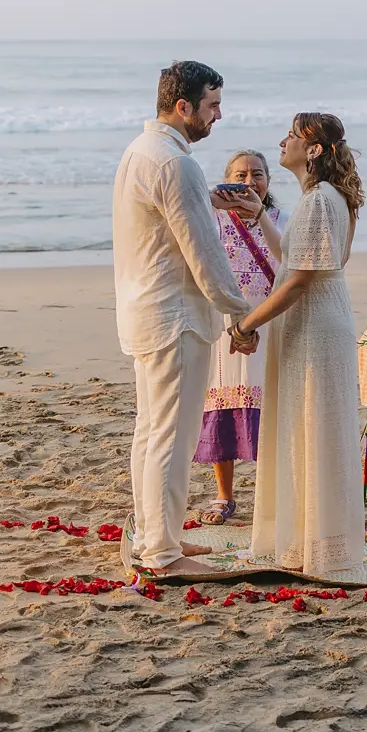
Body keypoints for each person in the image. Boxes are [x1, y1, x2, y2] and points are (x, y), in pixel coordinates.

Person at [112, 61, 263, 576]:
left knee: (152, 431)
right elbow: (204, 255)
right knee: (171, 439)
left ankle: (160, 536)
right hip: (174, 317)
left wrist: (211, 200)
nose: (218, 116)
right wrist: (241, 315)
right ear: (184, 107)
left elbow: (168, 222)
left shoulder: (141, 151)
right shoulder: (176, 164)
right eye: (212, 105)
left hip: (145, 310)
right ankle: (162, 553)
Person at [233, 113, 367, 580]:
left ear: (312, 150)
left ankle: (314, 543)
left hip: (313, 322)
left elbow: (299, 281)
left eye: (291, 135)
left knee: (310, 425)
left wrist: (246, 324)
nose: (282, 141)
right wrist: (259, 219)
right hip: (323, 317)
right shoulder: (328, 197)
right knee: (314, 426)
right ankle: (317, 535)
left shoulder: (317, 201)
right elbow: (296, 257)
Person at [192, 150, 287, 526]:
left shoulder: (282, 221)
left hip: (273, 322)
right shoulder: (212, 220)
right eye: (240, 176)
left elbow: (291, 266)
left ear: (269, 182)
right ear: (227, 181)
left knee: (272, 410)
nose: (249, 183)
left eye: (258, 175)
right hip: (224, 325)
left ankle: (272, 494)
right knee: (221, 405)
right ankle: (224, 495)